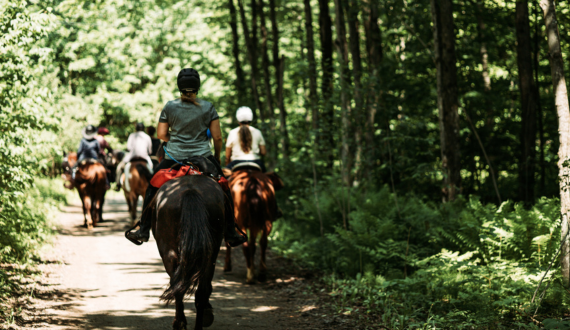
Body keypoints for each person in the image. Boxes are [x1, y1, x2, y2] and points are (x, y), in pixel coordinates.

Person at [125, 68, 247, 247]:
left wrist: (173, 140)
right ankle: (230, 232)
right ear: (198, 86)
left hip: (174, 158)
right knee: (225, 188)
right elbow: (218, 137)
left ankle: (143, 229)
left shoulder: (170, 106)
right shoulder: (208, 107)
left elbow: (161, 134)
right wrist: (216, 156)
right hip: (204, 157)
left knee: (152, 186)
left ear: (179, 86)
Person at [224, 106, 267, 172]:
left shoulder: (232, 132)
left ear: (238, 119)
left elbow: (227, 155)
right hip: (256, 162)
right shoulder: (257, 132)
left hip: (236, 162)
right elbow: (263, 152)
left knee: (222, 179)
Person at [114, 123, 153, 191]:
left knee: (119, 167)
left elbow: (129, 148)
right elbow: (150, 151)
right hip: (144, 157)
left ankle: (118, 185)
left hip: (132, 157)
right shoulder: (147, 137)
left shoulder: (132, 135)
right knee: (152, 169)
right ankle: (153, 186)